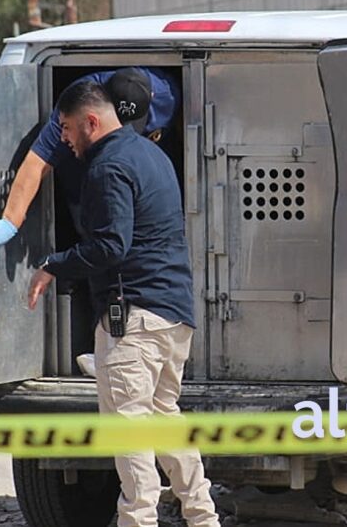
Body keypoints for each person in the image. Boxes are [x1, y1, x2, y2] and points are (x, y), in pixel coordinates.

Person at [25, 80, 219, 527]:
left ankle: (139, 520)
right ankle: (203, 517)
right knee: (164, 420)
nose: (66, 141)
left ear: (91, 122)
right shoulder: (153, 156)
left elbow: (110, 246)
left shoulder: (106, 168)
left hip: (133, 319)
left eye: (68, 129)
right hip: (172, 315)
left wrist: (53, 263)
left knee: (129, 430)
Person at [0, 66, 177, 251]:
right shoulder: (76, 107)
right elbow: (36, 163)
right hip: (83, 175)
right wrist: (10, 222)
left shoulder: (168, 95)